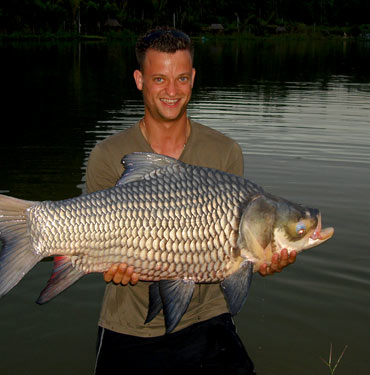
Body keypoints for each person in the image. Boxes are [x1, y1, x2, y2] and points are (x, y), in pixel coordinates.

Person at [86, 27, 296, 375]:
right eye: (159, 79)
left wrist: (261, 256)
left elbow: (236, 253)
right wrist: (108, 266)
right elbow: (91, 243)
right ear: (139, 80)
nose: (172, 91)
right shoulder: (107, 156)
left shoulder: (225, 152)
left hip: (207, 320)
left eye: (181, 78)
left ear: (193, 77)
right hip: (129, 323)